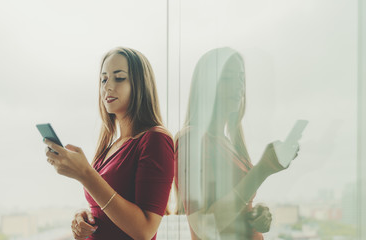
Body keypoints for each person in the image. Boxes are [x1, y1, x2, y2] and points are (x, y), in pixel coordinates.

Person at [43, 47, 174, 240]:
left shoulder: (156, 140)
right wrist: (85, 217)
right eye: (103, 79)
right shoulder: (112, 146)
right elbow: (105, 210)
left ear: (141, 85)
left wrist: (86, 174)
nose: (107, 87)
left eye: (119, 78)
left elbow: (145, 230)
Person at [174, 47, 300, 239]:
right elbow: (203, 226)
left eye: (241, 78)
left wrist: (256, 214)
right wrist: (262, 170)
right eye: (227, 78)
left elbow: (233, 208)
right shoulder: (191, 140)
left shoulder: (230, 145)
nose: (238, 87)